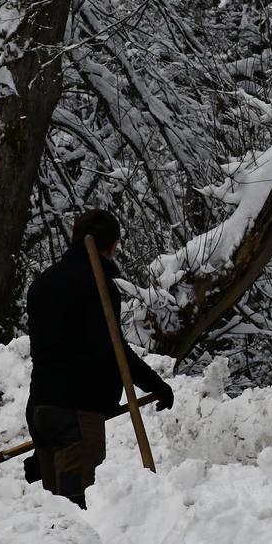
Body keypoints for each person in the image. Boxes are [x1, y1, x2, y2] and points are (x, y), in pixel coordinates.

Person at [25, 209, 174, 508]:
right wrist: (155, 384)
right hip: (75, 415)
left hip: (41, 410)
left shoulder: (41, 283)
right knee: (76, 513)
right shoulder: (95, 284)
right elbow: (112, 350)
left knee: (56, 516)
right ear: (113, 245)